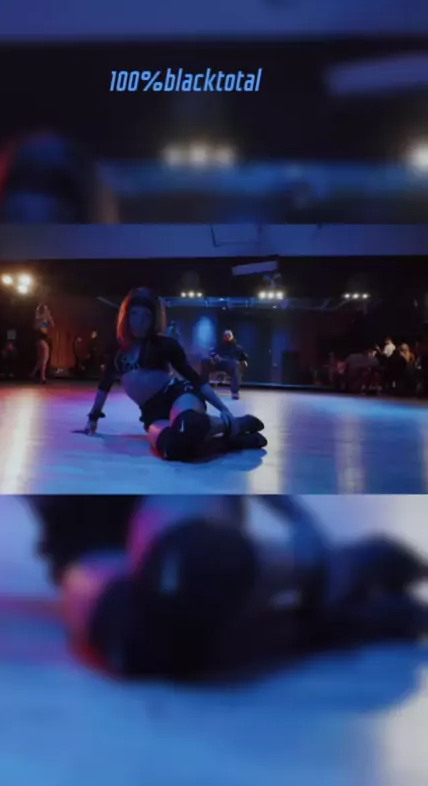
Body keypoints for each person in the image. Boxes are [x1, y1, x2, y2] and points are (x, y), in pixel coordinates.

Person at [30, 495, 428, 681]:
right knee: (137, 641)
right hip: (84, 543)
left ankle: (317, 569)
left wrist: (300, 521)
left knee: (193, 564)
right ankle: (322, 616)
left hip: (160, 496)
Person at [84, 288, 266, 461]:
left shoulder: (164, 344)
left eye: (146, 315)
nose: (139, 321)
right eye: (134, 314)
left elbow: (195, 379)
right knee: (171, 448)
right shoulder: (118, 352)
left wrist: (223, 409)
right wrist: (93, 418)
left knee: (187, 425)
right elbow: (104, 385)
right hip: (152, 413)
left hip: (177, 396)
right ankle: (232, 441)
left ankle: (231, 424)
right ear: (125, 316)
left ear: (154, 318)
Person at [200, 330, 248, 399]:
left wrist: (243, 363)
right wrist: (215, 356)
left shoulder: (238, 348)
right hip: (218, 363)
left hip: (230, 365)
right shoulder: (220, 346)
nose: (227, 337)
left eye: (229, 335)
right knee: (205, 360)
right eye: (225, 335)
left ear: (232, 336)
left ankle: (235, 392)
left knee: (236, 365)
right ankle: (204, 389)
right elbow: (212, 352)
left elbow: (244, 358)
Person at [30, 303, 54, 384]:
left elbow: (52, 324)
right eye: (45, 309)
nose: (47, 310)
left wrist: (49, 317)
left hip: (44, 338)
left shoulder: (45, 318)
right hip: (39, 338)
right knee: (44, 358)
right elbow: (35, 327)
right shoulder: (38, 318)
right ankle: (42, 377)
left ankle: (33, 374)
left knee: (41, 359)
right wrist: (42, 319)